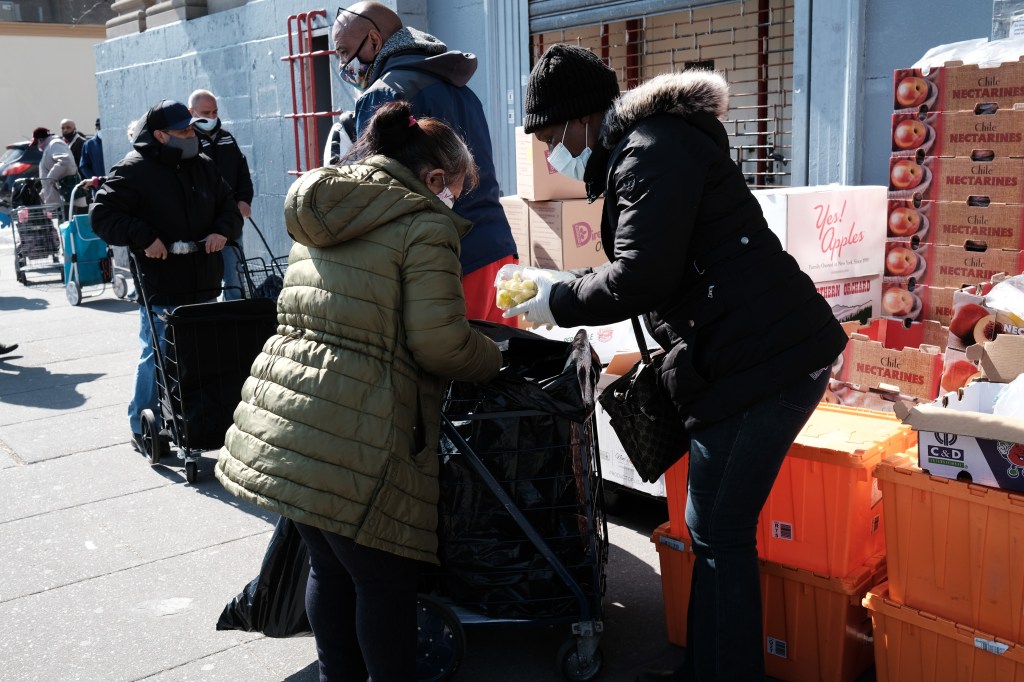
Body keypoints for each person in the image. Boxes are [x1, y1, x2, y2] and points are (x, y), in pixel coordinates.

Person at [511, 45, 849, 682]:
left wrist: (556, 300)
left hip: (764, 361)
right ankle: (709, 665)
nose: (554, 148)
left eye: (555, 133)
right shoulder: (652, 146)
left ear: (582, 118)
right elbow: (651, 260)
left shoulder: (650, 149)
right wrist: (557, 284)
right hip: (753, 351)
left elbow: (642, 274)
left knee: (718, 529)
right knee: (713, 529)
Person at [216, 100, 502, 681]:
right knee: (383, 583)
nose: (457, 201)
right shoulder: (423, 224)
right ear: (435, 178)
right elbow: (440, 344)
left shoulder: (330, 205)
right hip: (358, 428)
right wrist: (494, 357)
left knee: (333, 568)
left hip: (293, 417)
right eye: (458, 188)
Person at [332, 1, 517, 324]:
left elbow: (377, 194)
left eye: (344, 51)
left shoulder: (383, 94)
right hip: (497, 253)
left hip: (446, 266)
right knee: (504, 367)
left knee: (453, 369)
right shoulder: (458, 86)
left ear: (374, 41)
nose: (342, 64)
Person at [90, 99, 242, 453]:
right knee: (157, 352)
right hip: (161, 282)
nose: (192, 135)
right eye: (184, 130)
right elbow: (103, 215)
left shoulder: (202, 165)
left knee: (200, 353)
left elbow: (229, 208)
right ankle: (141, 423)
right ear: (159, 135)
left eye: (192, 128)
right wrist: (144, 238)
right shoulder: (132, 169)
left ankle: (196, 420)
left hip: (203, 278)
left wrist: (222, 231)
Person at [188, 89, 254, 301]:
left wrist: (244, 200)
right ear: (192, 112)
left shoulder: (227, 138)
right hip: (202, 225)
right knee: (207, 282)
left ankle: (233, 322)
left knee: (234, 278)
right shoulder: (188, 142)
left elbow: (243, 172)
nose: (212, 117)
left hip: (230, 223)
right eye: (206, 113)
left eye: (215, 112)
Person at [33, 127, 82, 212]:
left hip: (66, 195)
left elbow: (65, 160)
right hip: (60, 197)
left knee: (69, 221)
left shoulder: (55, 144)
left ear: (40, 140)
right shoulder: (50, 146)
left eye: (36, 142)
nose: (37, 146)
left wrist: (50, 178)